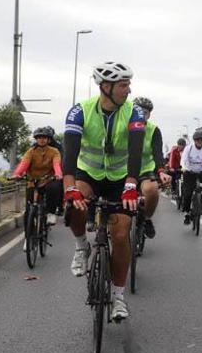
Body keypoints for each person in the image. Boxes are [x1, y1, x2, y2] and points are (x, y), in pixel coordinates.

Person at [62, 61, 144, 321]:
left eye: (129, 84)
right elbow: (70, 155)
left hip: (121, 178)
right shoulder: (80, 112)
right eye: (123, 85)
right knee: (74, 203)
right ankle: (80, 246)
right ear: (105, 87)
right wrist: (69, 188)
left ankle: (119, 297)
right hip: (89, 173)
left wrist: (132, 184)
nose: (128, 90)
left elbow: (135, 151)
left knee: (120, 234)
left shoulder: (134, 113)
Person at [132, 97, 170, 238]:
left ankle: (146, 219)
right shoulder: (122, 124)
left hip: (145, 169)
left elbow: (157, 153)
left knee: (151, 190)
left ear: (149, 115)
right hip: (121, 169)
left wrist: (161, 171)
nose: (142, 115)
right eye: (138, 111)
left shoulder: (153, 130)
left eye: (145, 112)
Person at [11, 127, 63, 227]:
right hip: (33, 181)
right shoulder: (31, 152)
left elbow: (56, 164)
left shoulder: (54, 151)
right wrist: (17, 174)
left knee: (53, 188)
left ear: (48, 139)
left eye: (44, 137)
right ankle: (28, 237)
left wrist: (58, 174)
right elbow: (24, 164)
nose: (41, 139)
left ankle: (51, 213)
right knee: (28, 209)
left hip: (48, 179)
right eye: (39, 137)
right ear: (36, 139)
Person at [181, 130, 202, 224]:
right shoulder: (188, 148)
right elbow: (183, 160)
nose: (199, 142)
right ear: (194, 140)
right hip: (190, 172)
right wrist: (184, 168)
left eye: (201, 140)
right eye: (197, 140)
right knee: (187, 194)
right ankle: (186, 213)